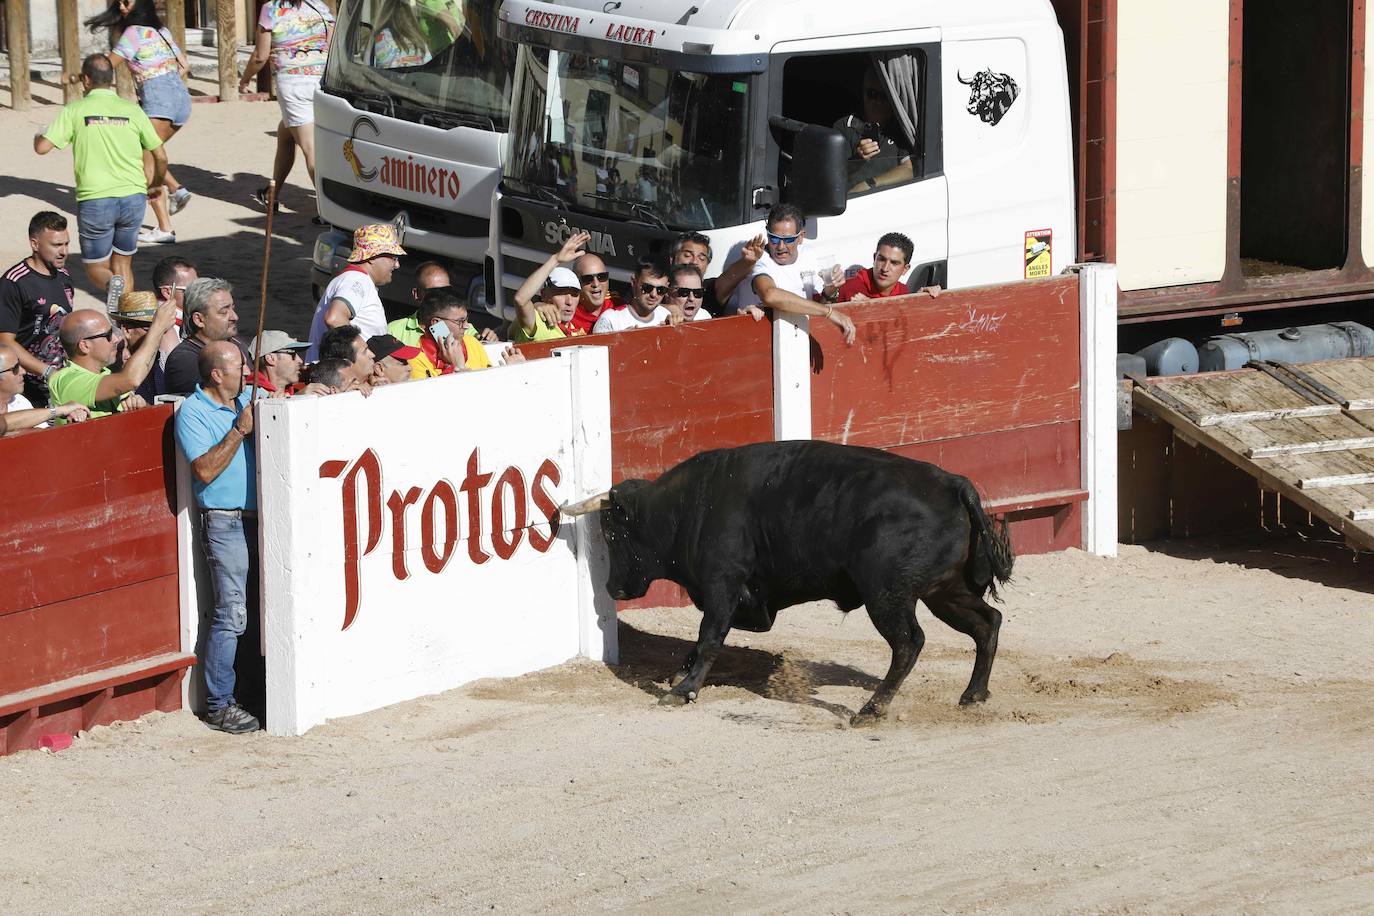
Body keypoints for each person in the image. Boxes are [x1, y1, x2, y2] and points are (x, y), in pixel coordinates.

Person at [173, 341, 261, 734]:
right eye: (239, 367)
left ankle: (252, 688)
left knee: (257, 609)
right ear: (216, 374)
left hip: (259, 518)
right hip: (224, 522)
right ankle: (219, 704)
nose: (246, 372)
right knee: (232, 613)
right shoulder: (193, 412)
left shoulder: (246, 397)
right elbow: (205, 471)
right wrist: (240, 431)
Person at [34, 54, 166, 297]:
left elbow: (42, 148)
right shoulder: (133, 111)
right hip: (133, 196)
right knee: (124, 263)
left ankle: (112, 287)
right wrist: (156, 184)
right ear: (111, 80)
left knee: (96, 267)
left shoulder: (75, 110)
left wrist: (39, 134)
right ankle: (127, 319)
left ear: (86, 80)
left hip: (96, 198)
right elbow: (160, 156)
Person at [85, 0, 194, 244]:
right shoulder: (161, 31)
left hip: (159, 101)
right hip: (181, 101)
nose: (123, 7)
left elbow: (106, 67)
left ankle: (165, 228)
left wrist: (78, 77)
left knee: (146, 164)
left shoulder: (132, 33)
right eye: (121, 3)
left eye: (127, 2)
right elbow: (184, 66)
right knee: (145, 153)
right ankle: (178, 190)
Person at [239, 0, 335, 211]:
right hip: (321, 82)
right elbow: (331, 45)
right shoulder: (319, 7)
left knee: (310, 148)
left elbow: (260, 56)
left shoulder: (271, 9)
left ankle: (328, 210)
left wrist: (245, 79)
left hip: (293, 85)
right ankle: (271, 194)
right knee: (285, 134)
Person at [741, 203, 856, 344]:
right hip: (763, 341)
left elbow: (816, 305)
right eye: (774, 238)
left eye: (788, 239)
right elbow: (770, 295)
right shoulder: (759, 258)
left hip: (798, 338)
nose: (780, 246)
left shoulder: (808, 255)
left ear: (801, 237)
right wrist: (829, 312)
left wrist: (830, 290)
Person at [48, 301, 176, 422]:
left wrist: (140, 405)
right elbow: (132, 379)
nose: (115, 339)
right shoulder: (68, 380)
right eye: (108, 335)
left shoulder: (107, 374)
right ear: (84, 345)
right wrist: (157, 328)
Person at [0, 212, 76, 408]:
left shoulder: (64, 275)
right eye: (56, 245)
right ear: (35, 244)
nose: (63, 251)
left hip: (59, 380)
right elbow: (5, 341)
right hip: (26, 387)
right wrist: (47, 372)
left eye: (66, 244)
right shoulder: (14, 283)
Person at [306, 223, 405, 361]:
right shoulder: (356, 280)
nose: (397, 265)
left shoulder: (355, 280)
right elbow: (334, 318)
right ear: (372, 257)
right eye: (393, 258)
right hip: (336, 378)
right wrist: (364, 356)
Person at [834, 67, 915, 195]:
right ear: (863, 93)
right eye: (872, 94)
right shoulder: (845, 126)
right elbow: (833, 175)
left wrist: (870, 184)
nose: (878, 101)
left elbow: (908, 170)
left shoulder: (902, 127)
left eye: (885, 96)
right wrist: (857, 159)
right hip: (851, 202)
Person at [164, 278, 249, 396]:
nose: (235, 317)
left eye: (232, 309)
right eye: (224, 312)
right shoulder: (185, 361)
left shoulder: (239, 345)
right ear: (199, 320)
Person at [387, 260, 497, 345]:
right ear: (416, 294)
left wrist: (488, 339)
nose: (442, 296)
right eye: (433, 292)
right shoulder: (394, 331)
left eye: (447, 290)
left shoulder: (462, 327)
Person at [509, 231, 592, 344]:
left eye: (574, 294)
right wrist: (556, 259)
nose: (569, 301)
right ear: (544, 295)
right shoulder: (537, 323)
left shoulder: (579, 329)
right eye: (562, 293)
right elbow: (520, 299)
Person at [669, 231, 765, 317]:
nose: (694, 262)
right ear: (672, 259)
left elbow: (731, 277)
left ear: (707, 264)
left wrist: (748, 261)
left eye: (701, 258)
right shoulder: (658, 286)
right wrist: (665, 308)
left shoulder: (709, 290)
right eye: (687, 255)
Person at [0, 344, 90, 434]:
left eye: (20, 365)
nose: (23, 371)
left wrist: (72, 419)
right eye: (15, 369)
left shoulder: (18, 400)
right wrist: (58, 410)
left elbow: (42, 433)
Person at [412, 289, 491, 376]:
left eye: (466, 319)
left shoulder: (472, 343)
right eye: (460, 321)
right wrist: (454, 367)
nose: (466, 326)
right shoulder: (415, 358)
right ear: (436, 323)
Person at [109, 290, 167, 402]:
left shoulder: (162, 358)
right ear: (126, 330)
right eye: (149, 329)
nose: (158, 334)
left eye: (161, 329)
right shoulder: (114, 365)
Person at [592, 257, 675, 334]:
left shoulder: (667, 317)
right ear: (634, 282)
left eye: (661, 290)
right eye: (647, 287)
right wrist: (619, 341)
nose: (654, 294)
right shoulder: (610, 320)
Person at [838, 232, 920, 302]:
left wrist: (925, 298)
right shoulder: (852, 288)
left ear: (905, 269)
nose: (885, 268)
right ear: (874, 258)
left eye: (894, 263)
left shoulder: (903, 292)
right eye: (882, 259)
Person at [568, 252, 623, 333]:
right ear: (575, 281)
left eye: (601, 277)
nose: (596, 284)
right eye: (588, 279)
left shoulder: (617, 303)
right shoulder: (567, 310)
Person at [249, 329, 309, 394]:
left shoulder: (298, 391)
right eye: (293, 354)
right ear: (270, 358)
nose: (300, 361)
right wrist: (298, 397)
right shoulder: (248, 396)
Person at [318, 324, 376, 388]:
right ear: (346, 364)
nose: (373, 355)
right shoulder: (322, 396)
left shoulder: (379, 381)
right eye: (364, 352)